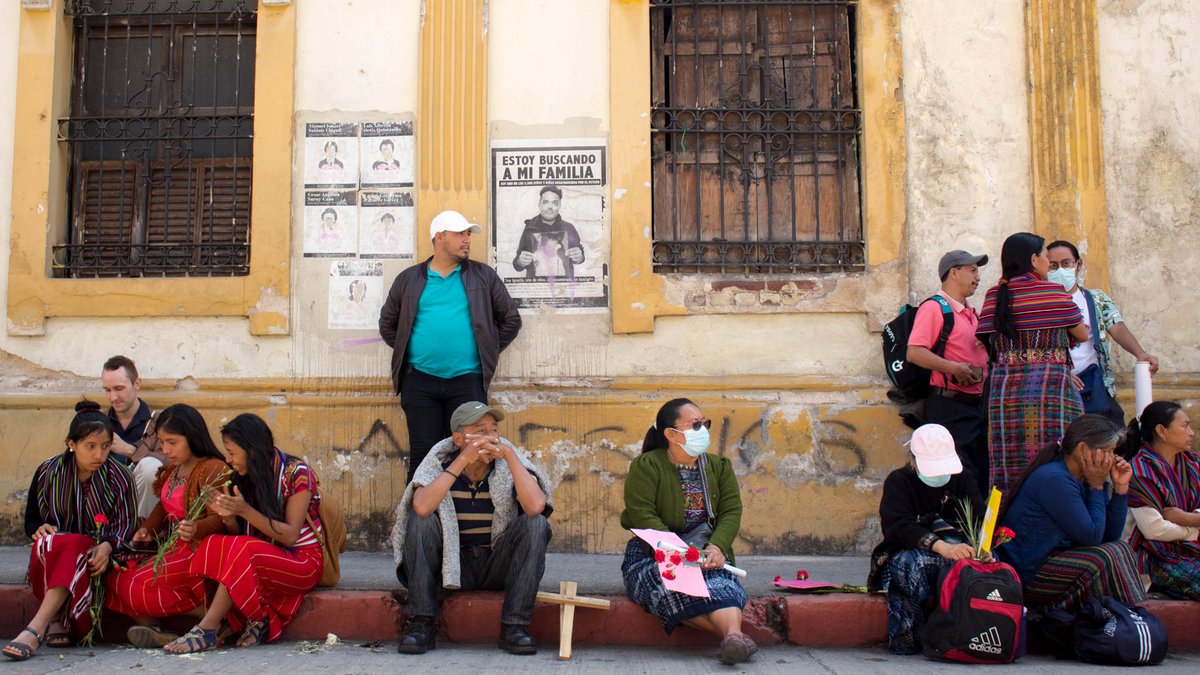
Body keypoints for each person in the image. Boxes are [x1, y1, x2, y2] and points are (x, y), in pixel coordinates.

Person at [389, 402, 551, 655]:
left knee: (536, 524)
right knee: (421, 520)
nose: (489, 437)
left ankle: (515, 627)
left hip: (497, 564)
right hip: (452, 567)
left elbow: (535, 507)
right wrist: (462, 461)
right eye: (479, 431)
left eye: (493, 430)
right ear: (457, 438)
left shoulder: (508, 464)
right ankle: (421, 623)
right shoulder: (438, 463)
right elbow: (420, 507)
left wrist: (510, 456)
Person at [379, 210, 522, 482]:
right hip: (420, 382)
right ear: (439, 237)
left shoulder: (483, 277)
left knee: (473, 455)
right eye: (460, 234)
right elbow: (388, 325)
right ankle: (421, 522)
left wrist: (486, 349)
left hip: (467, 380)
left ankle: (465, 521)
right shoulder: (408, 280)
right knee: (424, 456)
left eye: (468, 234)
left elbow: (510, 320)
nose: (467, 239)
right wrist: (414, 355)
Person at [620, 398, 755, 666]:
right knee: (674, 589)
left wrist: (716, 548)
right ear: (670, 434)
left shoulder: (719, 467)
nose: (703, 429)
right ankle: (734, 635)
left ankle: (733, 638)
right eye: (695, 425)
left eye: (705, 423)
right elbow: (642, 514)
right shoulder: (647, 466)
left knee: (722, 587)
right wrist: (679, 552)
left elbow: (730, 512)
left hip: (706, 551)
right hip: (654, 552)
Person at [176, 414, 325, 653]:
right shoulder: (244, 477)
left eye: (232, 453)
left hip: (302, 560)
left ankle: (208, 628)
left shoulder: (297, 473)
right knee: (213, 543)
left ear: (252, 451)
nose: (227, 459)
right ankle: (252, 618)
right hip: (264, 555)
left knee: (242, 550)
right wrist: (228, 516)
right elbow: (241, 535)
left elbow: (289, 536)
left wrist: (244, 510)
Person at [3, 402, 137, 661]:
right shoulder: (48, 472)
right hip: (51, 557)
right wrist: (38, 529)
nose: (99, 454)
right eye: (90, 446)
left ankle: (38, 627)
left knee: (76, 546)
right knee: (66, 544)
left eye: (106, 446)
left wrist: (107, 546)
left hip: (96, 561)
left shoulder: (120, 477)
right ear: (70, 444)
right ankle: (51, 619)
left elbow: (127, 525)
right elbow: (31, 521)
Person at [105, 404, 230, 649]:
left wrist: (196, 527)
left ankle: (213, 615)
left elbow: (221, 518)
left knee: (130, 586)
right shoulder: (173, 469)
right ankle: (154, 628)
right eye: (162, 442)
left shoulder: (212, 467)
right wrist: (147, 530)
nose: (165, 450)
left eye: (172, 442)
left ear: (192, 436)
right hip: (172, 549)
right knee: (110, 576)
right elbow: (163, 507)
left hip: (196, 551)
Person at [995, 414, 1145, 613]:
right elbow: (1092, 536)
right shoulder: (1055, 479)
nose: (1112, 459)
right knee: (1109, 555)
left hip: (1056, 561)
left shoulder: (1084, 477)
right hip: (1027, 572)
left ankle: (1131, 618)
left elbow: (1110, 536)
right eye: (1108, 452)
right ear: (1083, 449)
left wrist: (1120, 489)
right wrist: (1097, 486)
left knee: (1119, 548)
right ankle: (1133, 616)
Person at [977, 232, 1089, 491]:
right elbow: (1082, 334)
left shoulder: (995, 294)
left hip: (1006, 395)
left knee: (1009, 456)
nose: (1049, 264)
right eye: (1047, 257)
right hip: (1052, 391)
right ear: (1033, 260)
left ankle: (1008, 522)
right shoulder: (1053, 292)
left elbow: (987, 340)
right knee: (1058, 452)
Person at [867, 424, 983, 655]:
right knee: (913, 565)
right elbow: (898, 527)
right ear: (914, 462)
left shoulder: (963, 479)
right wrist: (941, 547)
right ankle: (910, 636)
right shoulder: (899, 481)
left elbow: (979, 518)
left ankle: (964, 636)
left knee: (991, 564)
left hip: (958, 552)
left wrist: (981, 549)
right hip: (910, 554)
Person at [1046, 240, 1160, 427]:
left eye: (1066, 264)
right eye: (1053, 266)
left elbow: (1117, 327)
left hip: (1094, 385)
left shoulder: (1096, 299)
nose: (1060, 271)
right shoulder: (1040, 303)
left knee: (1112, 437)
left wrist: (1140, 353)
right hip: (1056, 388)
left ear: (1078, 265)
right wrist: (1058, 372)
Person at [906, 250, 990, 493]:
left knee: (976, 471)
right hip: (950, 406)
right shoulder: (935, 308)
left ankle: (974, 528)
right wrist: (953, 367)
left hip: (975, 406)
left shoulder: (972, 313)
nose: (978, 278)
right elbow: (914, 351)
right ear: (954, 273)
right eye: (973, 270)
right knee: (958, 475)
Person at [1124, 401, 1200, 600]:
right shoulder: (1140, 469)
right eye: (1184, 426)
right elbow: (1154, 529)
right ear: (1161, 431)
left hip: (1191, 549)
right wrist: (1193, 531)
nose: (1191, 433)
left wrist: (1187, 518)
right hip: (1158, 557)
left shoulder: (1192, 463)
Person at [102, 355, 166, 518]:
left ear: (137, 384)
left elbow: (171, 464)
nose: (113, 397)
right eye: (107, 390)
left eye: (118, 388)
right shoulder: (98, 421)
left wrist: (131, 451)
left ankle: (140, 536)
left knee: (151, 466)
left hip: (143, 505)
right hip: (103, 500)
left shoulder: (159, 422)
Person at [512, 185, 585, 279]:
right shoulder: (529, 228)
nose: (550, 207)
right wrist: (520, 262)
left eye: (555, 203)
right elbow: (516, 265)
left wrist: (579, 257)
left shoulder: (569, 228)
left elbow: (581, 257)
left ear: (559, 205)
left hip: (563, 287)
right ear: (539, 204)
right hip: (536, 288)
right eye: (545, 202)